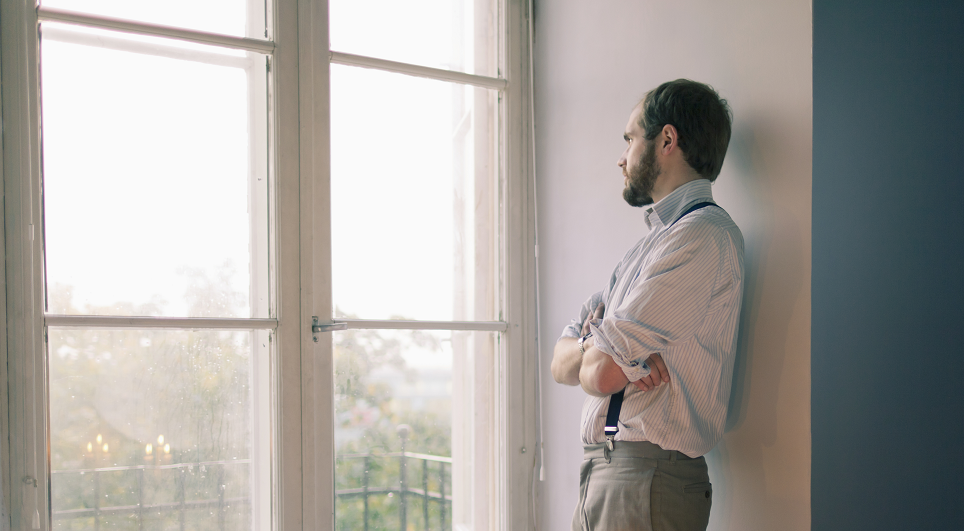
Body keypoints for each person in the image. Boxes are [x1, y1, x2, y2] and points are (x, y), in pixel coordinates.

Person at [551, 79, 744, 531]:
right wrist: (596, 346)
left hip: (646, 478)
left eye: (630, 139)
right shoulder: (647, 249)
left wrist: (599, 350)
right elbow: (560, 365)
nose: (622, 157)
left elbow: (601, 374)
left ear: (667, 140)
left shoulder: (701, 237)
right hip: (614, 474)